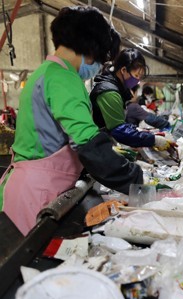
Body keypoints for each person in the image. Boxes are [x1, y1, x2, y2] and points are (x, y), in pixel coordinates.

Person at [0, 6, 143, 236]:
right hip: (35, 193)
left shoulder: (46, 72)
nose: (98, 66)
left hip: (33, 184)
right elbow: (87, 142)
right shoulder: (63, 79)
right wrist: (134, 178)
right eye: (101, 58)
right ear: (90, 50)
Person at [90, 48, 173, 149]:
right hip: (95, 146)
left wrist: (140, 132)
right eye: (136, 75)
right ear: (124, 70)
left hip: (103, 142)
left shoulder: (117, 89)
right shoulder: (109, 92)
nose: (137, 80)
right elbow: (119, 130)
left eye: (140, 77)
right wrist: (153, 140)